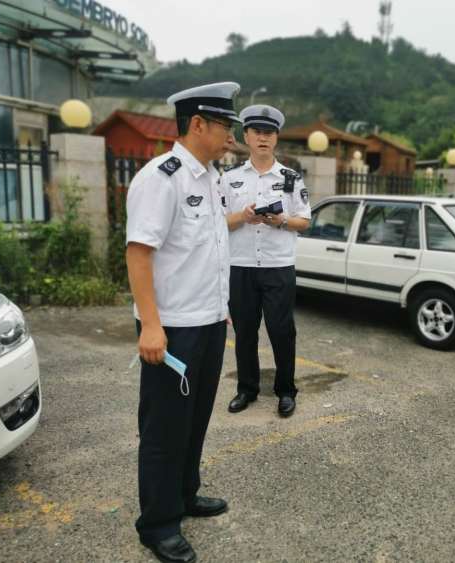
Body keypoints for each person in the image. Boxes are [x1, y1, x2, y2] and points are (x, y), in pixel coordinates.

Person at [125, 81, 240, 563]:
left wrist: (222, 307)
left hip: (209, 322)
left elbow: (207, 248)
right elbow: (138, 254)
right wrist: (151, 326)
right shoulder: (161, 178)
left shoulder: (211, 177)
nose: (231, 136)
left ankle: (185, 495)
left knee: (193, 421)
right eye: (225, 126)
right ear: (198, 124)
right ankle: (157, 522)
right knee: (165, 428)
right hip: (172, 329)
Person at [222, 104, 311, 417]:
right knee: (245, 332)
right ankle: (246, 389)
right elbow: (218, 223)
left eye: (269, 132)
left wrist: (281, 221)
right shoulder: (229, 178)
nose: (263, 137)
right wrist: (243, 216)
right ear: (246, 135)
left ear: (276, 138)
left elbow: (304, 221)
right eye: (257, 131)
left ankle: (286, 391)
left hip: (278, 267)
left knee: (282, 331)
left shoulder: (291, 178)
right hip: (242, 266)